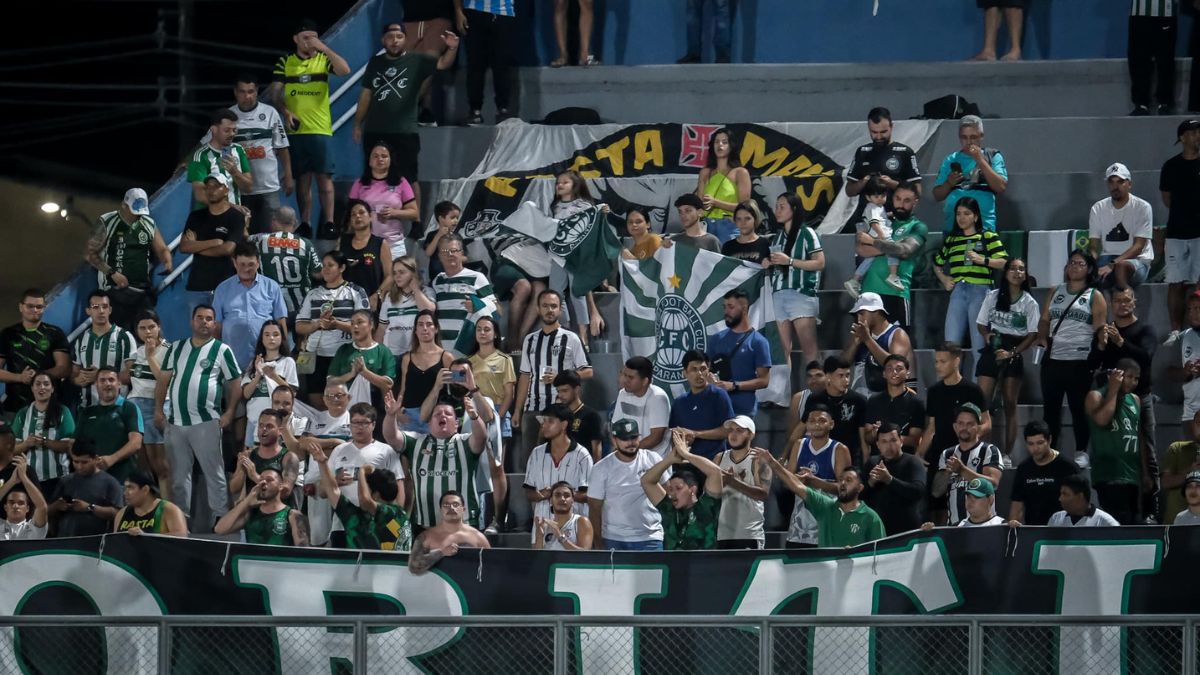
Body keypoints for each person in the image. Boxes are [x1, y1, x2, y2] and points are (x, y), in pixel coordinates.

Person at [353, 22, 458, 217]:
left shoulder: (417, 60)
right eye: (390, 37)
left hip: (405, 131)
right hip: (375, 130)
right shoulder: (375, 63)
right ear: (383, 40)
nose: (394, 41)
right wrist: (358, 124)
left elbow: (443, 64)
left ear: (405, 40)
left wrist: (452, 48)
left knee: (409, 177)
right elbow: (366, 95)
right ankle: (374, 219)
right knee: (373, 176)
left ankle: (415, 219)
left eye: (399, 37)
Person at [156, 305, 241, 529]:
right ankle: (179, 522)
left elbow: (234, 383)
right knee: (178, 477)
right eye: (200, 318)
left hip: (206, 420)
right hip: (175, 421)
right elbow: (163, 381)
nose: (205, 322)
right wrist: (158, 410)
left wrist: (230, 411)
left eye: (209, 319)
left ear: (215, 323)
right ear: (192, 321)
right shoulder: (176, 348)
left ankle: (220, 520)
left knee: (215, 473)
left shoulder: (222, 350)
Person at [269, 19, 351, 245]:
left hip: (320, 129)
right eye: (306, 38)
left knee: (324, 180)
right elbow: (275, 93)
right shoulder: (285, 62)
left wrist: (323, 47)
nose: (311, 42)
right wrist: (285, 112)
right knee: (303, 181)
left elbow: (345, 69)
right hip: (296, 131)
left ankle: (329, 222)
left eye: (314, 37)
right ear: (296, 39)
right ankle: (305, 223)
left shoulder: (323, 60)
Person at [384, 391, 491, 533]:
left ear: (457, 423)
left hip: (464, 526)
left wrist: (474, 417)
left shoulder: (465, 441)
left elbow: (481, 437)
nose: (442, 415)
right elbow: (391, 437)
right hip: (426, 525)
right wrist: (391, 416)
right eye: (437, 414)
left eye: (448, 414)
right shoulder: (416, 442)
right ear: (429, 423)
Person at [1096, 285, 1160, 519]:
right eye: (1117, 301)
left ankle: (1152, 507)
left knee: (1148, 452)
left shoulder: (1145, 330)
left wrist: (1122, 342)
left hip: (1140, 398)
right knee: (1114, 450)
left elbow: (1146, 357)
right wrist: (1102, 344)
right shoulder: (1107, 330)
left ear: (1134, 303)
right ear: (1111, 304)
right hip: (1112, 398)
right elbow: (1096, 361)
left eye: (1127, 300)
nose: (1122, 305)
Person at [1037, 250, 1107, 458]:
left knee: (1079, 409)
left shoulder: (1095, 295)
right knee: (1051, 410)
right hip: (1053, 359)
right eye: (1071, 263)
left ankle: (1081, 450)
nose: (1074, 266)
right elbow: (1044, 320)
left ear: (1089, 269)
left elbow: (1100, 328)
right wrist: (1041, 336)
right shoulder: (1054, 290)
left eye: (1080, 263)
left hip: (1079, 361)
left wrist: (1100, 351)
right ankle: (1050, 451)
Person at [204, 75, 293, 234]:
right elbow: (207, 143)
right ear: (235, 93)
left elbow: (283, 147)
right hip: (240, 190)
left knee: (273, 235)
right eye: (243, 92)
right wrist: (187, 160)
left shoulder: (270, 113)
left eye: (251, 91)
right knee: (242, 236)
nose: (248, 96)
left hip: (269, 187)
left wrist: (288, 175)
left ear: (257, 91)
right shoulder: (227, 117)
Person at [513, 290, 592, 462]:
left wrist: (561, 377)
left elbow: (588, 371)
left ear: (560, 310)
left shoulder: (571, 338)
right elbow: (525, 376)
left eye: (554, 306)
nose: (550, 310)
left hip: (561, 408)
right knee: (531, 462)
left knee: (562, 459)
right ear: (538, 309)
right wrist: (518, 410)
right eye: (545, 306)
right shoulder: (530, 340)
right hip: (533, 408)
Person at [933, 196, 1009, 369]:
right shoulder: (952, 240)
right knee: (950, 344)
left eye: (966, 213)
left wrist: (983, 260)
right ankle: (951, 389)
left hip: (980, 292)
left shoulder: (987, 236)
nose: (961, 218)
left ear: (975, 216)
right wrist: (944, 278)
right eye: (958, 213)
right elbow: (937, 263)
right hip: (958, 291)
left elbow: (1005, 262)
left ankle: (979, 392)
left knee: (979, 346)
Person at [315, 403, 406, 547]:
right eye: (355, 423)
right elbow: (321, 492)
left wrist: (395, 518)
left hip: (375, 524)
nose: (359, 427)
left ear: (374, 424)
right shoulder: (339, 451)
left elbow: (399, 487)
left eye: (364, 423)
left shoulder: (386, 450)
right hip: (342, 524)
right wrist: (335, 481)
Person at [976, 258, 1040, 456]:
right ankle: (983, 452)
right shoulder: (993, 296)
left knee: (1010, 404)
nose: (1017, 272)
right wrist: (987, 336)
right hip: (992, 349)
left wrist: (1012, 353)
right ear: (1005, 273)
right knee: (982, 403)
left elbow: (1033, 335)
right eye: (1012, 268)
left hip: (1014, 350)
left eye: (1021, 269)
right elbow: (981, 323)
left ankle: (1007, 454)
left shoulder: (1030, 302)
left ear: (1025, 275)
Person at [85, 188, 173, 330]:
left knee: (149, 331)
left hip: (141, 291)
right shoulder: (107, 222)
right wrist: (112, 273)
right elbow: (91, 254)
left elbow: (162, 248)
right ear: (124, 205)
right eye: (134, 211)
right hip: (113, 292)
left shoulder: (148, 223)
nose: (137, 216)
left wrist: (167, 261)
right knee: (118, 335)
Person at [760, 450, 885, 548]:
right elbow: (797, 486)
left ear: (860, 488)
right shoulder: (825, 506)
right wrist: (772, 462)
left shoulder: (870, 517)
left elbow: (881, 553)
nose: (842, 483)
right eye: (840, 479)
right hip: (825, 576)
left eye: (848, 480)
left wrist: (855, 553)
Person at [295, 251, 370, 407]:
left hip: (344, 354)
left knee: (341, 397)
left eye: (330, 265)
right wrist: (317, 324)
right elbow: (299, 326)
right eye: (323, 266)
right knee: (316, 396)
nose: (325, 269)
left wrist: (337, 325)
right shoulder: (313, 294)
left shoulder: (355, 292)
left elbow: (365, 327)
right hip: (316, 355)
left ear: (342, 268)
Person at [1085, 361, 1151, 525]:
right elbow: (1102, 419)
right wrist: (1113, 388)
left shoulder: (1135, 400)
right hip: (1109, 474)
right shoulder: (1096, 396)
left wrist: (1145, 472)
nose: (1133, 382)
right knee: (1115, 526)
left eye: (1136, 378)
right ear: (1116, 375)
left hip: (1132, 474)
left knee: (1134, 524)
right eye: (1129, 377)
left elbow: (1139, 436)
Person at [546, 171, 606, 349]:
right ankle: (563, 330)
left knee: (576, 293)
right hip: (558, 255)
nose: (560, 185)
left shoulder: (584, 205)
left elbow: (593, 224)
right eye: (558, 182)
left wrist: (603, 212)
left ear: (575, 185)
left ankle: (582, 335)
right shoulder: (555, 206)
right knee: (556, 293)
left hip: (576, 255)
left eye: (565, 182)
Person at [854, 183, 928, 327]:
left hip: (896, 294)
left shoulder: (918, 226)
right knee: (863, 345)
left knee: (898, 347)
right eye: (898, 199)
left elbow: (905, 250)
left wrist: (873, 242)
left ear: (915, 202)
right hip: (868, 292)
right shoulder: (880, 220)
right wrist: (893, 247)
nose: (901, 204)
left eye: (907, 200)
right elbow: (861, 249)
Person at [311, 445, 412, 551]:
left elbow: (365, 501)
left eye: (366, 487)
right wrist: (322, 463)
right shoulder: (356, 518)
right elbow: (332, 490)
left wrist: (362, 472)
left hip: (390, 566)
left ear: (376, 495)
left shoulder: (394, 515)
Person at [587, 419, 667, 550]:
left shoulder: (653, 459)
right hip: (613, 539)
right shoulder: (601, 468)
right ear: (614, 440)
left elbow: (667, 498)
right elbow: (594, 510)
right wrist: (598, 543)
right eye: (624, 439)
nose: (631, 443)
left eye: (634, 437)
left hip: (650, 537)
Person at [916, 343, 992, 475]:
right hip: (938, 454)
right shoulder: (934, 391)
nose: (937, 366)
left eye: (942, 362)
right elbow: (932, 427)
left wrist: (970, 438)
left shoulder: (972, 391)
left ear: (956, 361)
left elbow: (987, 423)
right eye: (936, 361)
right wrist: (919, 453)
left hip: (964, 456)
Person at [640, 430, 723, 550]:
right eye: (670, 489)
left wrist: (686, 454)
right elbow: (646, 481)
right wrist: (669, 460)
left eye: (678, 488)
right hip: (674, 567)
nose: (673, 493)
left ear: (692, 490)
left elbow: (715, 472)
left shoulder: (706, 508)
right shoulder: (669, 509)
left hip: (703, 566)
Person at [469, 316, 515, 530]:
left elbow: (508, 393)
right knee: (475, 468)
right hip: (473, 416)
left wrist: (499, 417)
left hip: (497, 412)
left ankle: (499, 518)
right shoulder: (469, 362)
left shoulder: (504, 359)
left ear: (495, 333)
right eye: (479, 329)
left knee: (497, 468)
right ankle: (476, 515)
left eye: (487, 329)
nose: (483, 333)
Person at [783, 404, 852, 548]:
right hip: (799, 527)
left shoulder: (839, 449)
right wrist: (796, 479)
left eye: (821, 421)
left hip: (827, 523)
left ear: (831, 424)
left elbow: (845, 490)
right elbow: (787, 482)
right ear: (806, 424)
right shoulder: (799, 444)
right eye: (812, 421)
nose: (816, 425)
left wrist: (814, 481)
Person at [768, 193, 824, 370]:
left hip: (801, 294)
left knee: (810, 351)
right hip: (778, 295)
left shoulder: (807, 232)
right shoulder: (776, 236)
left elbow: (820, 263)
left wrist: (790, 261)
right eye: (776, 206)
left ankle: (818, 394)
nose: (777, 210)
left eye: (782, 206)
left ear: (794, 209)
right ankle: (783, 396)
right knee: (782, 352)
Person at [213, 242, 289, 370]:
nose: (246, 269)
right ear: (234, 263)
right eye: (242, 264)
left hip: (267, 359)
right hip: (232, 358)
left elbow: (281, 323)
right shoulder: (222, 289)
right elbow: (217, 327)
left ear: (258, 263)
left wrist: (286, 355)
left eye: (251, 264)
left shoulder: (272, 287)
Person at [843, 107, 923, 226]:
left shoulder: (905, 152)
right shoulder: (862, 152)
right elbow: (849, 191)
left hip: (897, 220)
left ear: (891, 127)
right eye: (874, 132)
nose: (879, 137)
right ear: (869, 129)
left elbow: (918, 191)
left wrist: (892, 183)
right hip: (867, 220)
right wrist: (864, 181)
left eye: (883, 132)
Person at [180, 173, 249, 310]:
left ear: (226, 190)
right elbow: (184, 247)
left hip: (225, 285)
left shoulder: (236, 217)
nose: (211, 190)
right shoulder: (196, 216)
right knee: (199, 329)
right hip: (197, 285)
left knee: (225, 330)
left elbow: (227, 249)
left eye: (216, 186)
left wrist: (197, 247)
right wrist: (215, 242)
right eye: (208, 187)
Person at [1160, 119, 1200, 346]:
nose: (1197, 136)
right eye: (1193, 133)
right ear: (1182, 138)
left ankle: (1197, 326)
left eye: (1199, 132)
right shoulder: (1171, 166)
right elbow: (1167, 199)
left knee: (1198, 283)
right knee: (1175, 282)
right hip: (1177, 232)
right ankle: (1175, 329)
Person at [0, 289, 71, 416]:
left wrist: (39, 376)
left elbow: (64, 368)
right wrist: (20, 377)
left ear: (44, 308)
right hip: (15, 408)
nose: (35, 310)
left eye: (39, 306)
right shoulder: (8, 334)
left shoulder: (54, 333)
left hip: (49, 408)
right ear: (21, 307)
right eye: (30, 306)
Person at [932, 116, 1008, 233]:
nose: (968, 142)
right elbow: (937, 195)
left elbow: (1001, 186)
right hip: (953, 229)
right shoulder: (950, 159)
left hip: (984, 229)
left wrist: (980, 160)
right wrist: (948, 183)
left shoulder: (993, 156)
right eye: (964, 137)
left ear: (981, 136)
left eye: (973, 137)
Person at [123, 311, 170, 496]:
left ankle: (168, 514)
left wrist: (151, 357)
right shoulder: (136, 353)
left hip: (156, 406)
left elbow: (164, 381)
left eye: (151, 327)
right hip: (135, 408)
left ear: (159, 327)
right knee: (141, 469)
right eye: (142, 328)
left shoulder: (170, 350)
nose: (147, 332)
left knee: (162, 467)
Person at [933, 403, 1003, 526]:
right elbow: (936, 492)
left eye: (970, 424)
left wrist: (962, 470)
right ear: (955, 426)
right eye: (960, 423)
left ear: (979, 427)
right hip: (954, 526)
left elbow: (993, 484)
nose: (964, 428)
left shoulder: (989, 450)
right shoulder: (947, 454)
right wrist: (947, 473)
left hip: (985, 526)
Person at [1088, 163, 1154, 290]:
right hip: (1107, 257)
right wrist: (1089, 263)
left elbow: (1138, 247)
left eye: (1120, 182)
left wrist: (1113, 264)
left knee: (1121, 268)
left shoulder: (1142, 207)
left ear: (1129, 184)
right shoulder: (1098, 208)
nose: (1115, 186)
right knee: (1085, 272)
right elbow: (1093, 246)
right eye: (1111, 182)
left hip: (1137, 260)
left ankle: (1127, 303)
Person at [524, 404, 593, 526]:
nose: (544, 425)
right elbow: (529, 492)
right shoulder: (536, 453)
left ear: (564, 424)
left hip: (574, 526)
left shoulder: (582, 455)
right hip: (543, 524)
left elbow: (589, 494)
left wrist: (559, 494)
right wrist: (540, 495)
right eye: (543, 421)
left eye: (550, 421)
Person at [349, 143, 419, 262]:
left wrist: (394, 213)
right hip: (365, 242)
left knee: (397, 277)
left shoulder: (401, 182)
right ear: (369, 161)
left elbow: (414, 213)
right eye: (375, 156)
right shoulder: (359, 183)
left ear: (390, 160)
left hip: (394, 243)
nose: (380, 159)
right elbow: (349, 213)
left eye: (384, 156)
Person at [430, 233, 499, 354]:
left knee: (463, 374)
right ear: (439, 256)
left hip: (466, 348)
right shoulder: (436, 281)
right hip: (441, 350)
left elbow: (497, 310)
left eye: (454, 250)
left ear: (462, 253)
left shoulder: (477, 277)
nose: (450, 254)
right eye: (445, 251)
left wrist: (477, 304)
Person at [250, 207, 321, 321]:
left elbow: (243, 239)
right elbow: (318, 273)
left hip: (271, 306)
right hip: (301, 305)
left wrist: (246, 222)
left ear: (274, 221)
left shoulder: (260, 240)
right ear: (295, 223)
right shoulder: (306, 244)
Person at [707, 289, 771, 417]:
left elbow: (764, 380)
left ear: (744, 308)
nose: (726, 312)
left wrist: (734, 386)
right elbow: (707, 369)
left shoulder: (758, 342)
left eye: (731, 307)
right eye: (724, 307)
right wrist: (710, 379)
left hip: (743, 410)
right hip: (716, 406)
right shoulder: (716, 339)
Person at [74, 367, 143, 484]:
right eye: (102, 380)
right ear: (96, 385)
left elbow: (136, 443)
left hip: (123, 480)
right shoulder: (87, 412)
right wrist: (88, 464)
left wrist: (112, 458)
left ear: (119, 384)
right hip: (92, 480)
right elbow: (74, 444)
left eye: (111, 380)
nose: (107, 384)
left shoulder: (129, 408)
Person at [70, 289, 138, 409]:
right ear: (88, 311)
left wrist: (99, 376)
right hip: (87, 409)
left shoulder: (124, 337)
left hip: (117, 408)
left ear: (110, 310)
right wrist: (77, 380)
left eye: (104, 306)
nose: (101, 311)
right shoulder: (81, 339)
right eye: (96, 307)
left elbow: (132, 374)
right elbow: (74, 373)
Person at [790, 356, 867, 458]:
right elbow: (800, 430)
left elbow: (863, 439)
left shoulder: (859, 400)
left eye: (848, 375)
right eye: (841, 376)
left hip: (851, 457)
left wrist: (865, 463)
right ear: (828, 377)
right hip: (822, 456)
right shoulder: (815, 399)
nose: (846, 380)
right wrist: (785, 455)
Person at [455, 0, 516, 125]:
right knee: (475, 65)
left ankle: (503, 110)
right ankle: (475, 111)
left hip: (503, 13)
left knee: (502, 64)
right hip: (473, 12)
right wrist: (458, 12)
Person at [239, 322, 299, 450]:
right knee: (251, 457)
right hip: (254, 420)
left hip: (277, 422)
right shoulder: (254, 362)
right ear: (262, 338)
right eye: (267, 335)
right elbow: (246, 394)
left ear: (282, 338)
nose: (271, 338)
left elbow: (292, 393)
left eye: (275, 334)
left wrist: (273, 376)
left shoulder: (288, 362)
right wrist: (258, 375)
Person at [12, 372, 74, 497]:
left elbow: (69, 445)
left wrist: (45, 442)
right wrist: (27, 444)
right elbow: (12, 449)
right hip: (28, 478)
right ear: (32, 388)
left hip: (57, 477)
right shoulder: (23, 414)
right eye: (38, 384)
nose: (42, 387)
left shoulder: (62, 411)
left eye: (46, 384)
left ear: (52, 389)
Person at [842, 292, 912, 398]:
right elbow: (842, 364)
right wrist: (855, 343)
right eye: (856, 314)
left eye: (862, 313)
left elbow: (895, 366)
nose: (858, 317)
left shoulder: (897, 334)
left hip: (886, 399)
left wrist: (868, 340)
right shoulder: (860, 333)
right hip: (859, 399)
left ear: (876, 312)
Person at [714, 416, 770, 549]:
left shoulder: (758, 459)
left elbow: (763, 494)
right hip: (723, 533)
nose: (733, 434)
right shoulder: (719, 458)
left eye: (739, 430)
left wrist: (733, 482)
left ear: (751, 434)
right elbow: (710, 492)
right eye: (731, 430)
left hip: (749, 534)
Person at [1008, 420, 1079, 526]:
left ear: (1049, 440)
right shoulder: (1023, 469)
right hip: (1034, 531)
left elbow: (1078, 503)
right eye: (1031, 444)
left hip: (1062, 531)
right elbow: (1017, 505)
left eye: (1040, 443)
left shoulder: (1067, 467)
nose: (1035, 448)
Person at [215, 468, 310, 545]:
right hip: (253, 566)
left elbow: (303, 551)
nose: (263, 483)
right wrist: (247, 500)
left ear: (281, 486)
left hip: (280, 566)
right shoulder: (251, 513)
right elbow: (219, 529)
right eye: (260, 480)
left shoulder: (292, 515)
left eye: (269, 480)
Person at [328, 309, 395, 417]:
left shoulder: (383, 351)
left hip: (374, 409)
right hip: (344, 410)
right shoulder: (344, 350)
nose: (355, 326)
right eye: (352, 323)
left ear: (371, 325)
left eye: (359, 322)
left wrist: (364, 372)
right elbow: (331, 382)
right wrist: (350, 375)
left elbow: (388, 384)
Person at [48, 441, 124, 537]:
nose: (79, 466)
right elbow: (46, 511)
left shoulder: (110, 483)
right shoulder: (65, 481)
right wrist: (56, 506)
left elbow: (118, 514)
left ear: (96, 459)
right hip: (64, 540)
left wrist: (90, 507)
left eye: (84, 462)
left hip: (94, 541)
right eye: (76, 461)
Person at [669, 350, 734, 460]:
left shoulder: (719, 395)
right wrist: (683, 437)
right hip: (686, 464)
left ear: (708, 370)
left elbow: (728, 430)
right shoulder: (679, 402)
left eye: (703, 369)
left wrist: (696, 434)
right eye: (694, 369)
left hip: (714, 463)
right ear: (684, 373)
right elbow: (673, 433)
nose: (699, 374)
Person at [863, 423, 926, 535]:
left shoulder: (912, 462)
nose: (889, 446)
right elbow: (859, 496)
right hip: (877, 531)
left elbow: (918, 491)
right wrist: (870, 483)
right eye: (884, 441)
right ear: (877, 444)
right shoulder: (872, 463)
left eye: (893, 440)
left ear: (901, 441)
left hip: (907, 531)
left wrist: (889, 480)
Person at [395, 310, 453, 434]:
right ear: (415, 330)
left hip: (435, 416)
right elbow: (403, 389)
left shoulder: (446, 357)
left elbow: (457, 388)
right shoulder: (407, 358)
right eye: (420, 325)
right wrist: (397, 411)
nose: (424, 328)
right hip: (408, 416)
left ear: (436, 329)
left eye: (429, 324)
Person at [407, 491, 490, 574]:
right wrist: (441, 553)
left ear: (463, 509)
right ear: (440, 510)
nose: (451, 508)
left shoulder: (478, 537)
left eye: (456, 504)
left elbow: (492, 565)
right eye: (446, 505)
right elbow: (413, 566)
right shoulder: (426, 536)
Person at [844, 178, 901, 297]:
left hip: (877, 236)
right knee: (893, 250)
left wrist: (891, 214)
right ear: (868, 197)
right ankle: (893, 275)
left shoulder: (878, 207)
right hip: (880, 236)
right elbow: (874, 223)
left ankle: (855, 279)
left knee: (870, 259)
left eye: (883, 195)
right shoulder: (872, 207)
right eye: (876, 196)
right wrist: (881, 236)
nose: (880, 198)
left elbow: (881, 218)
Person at [186, 109, 253, 209]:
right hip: (209, 217)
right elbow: (200, 195)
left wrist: (235, 172)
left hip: (234, 217)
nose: (232, 134)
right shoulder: (201, 156)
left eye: (234, 130)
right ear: (214, 130)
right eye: (227, 130)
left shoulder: (238, 150)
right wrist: (231, 208)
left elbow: (248, 188)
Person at [862, 355, 925, 461]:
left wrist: (889, 438)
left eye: (899, 369)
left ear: (907, 373)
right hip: (878, 460)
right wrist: (874, 432)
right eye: (889, 368)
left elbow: (915, 440)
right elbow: (867, 438)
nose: (894, 372)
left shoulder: (916, 403)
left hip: (904, 459)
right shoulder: (874, 400)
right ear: (884, 374)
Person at [230, 409, 301, 503]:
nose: (264, 429)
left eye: (269, 426)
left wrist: (257, 477)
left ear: (279, 431)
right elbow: (233, 489)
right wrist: (241, 468)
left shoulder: (289, 457)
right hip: (254, 512)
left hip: (278, 515)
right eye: (261, 425)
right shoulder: (249, 455)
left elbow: (285, 492)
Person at [610, 356, 671, 458]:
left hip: (654, 460)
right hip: (630, 456)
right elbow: (615, 427)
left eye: (631, 377)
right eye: (625, 375)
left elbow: (656, 437)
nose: (625, 380)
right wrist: (620, 449)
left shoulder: (657, 398)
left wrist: (629, 450)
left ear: (645, 381)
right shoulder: (623, 394)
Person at [695, 129, 749, 244]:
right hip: (707, 225)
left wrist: (716, 202)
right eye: (716, 142)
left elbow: (745, 207)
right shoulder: (705, 172)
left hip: (729, 225)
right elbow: (699, 204)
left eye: (724, 142)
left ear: (731, 146)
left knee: (728, 260)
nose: (720, 145)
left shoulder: (740, 172)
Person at [377, 257, 436, 361]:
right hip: (391, 354)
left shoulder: (426, 292)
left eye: (402, 272)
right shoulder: (389, 296)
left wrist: (415, 289)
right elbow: (381, 329)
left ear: (413, 273)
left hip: (416, 354)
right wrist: (378, 354)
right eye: (395, 273)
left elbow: (428, 311)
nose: (397, 276)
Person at [1127, 0, 1178, 116]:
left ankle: (1164, 103)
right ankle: (1141, 104)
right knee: (1138, 59)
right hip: (1139, 14)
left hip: (1166, 13)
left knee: (1166, 60)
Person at [338, 200, 393, 304]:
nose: (357, 216)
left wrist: (377, 296)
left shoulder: (380, 243)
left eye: (361, 212)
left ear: (371, 216)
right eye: (353, 214)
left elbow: (390, 276)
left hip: (371, 302)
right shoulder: (342, 241)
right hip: (345, 301)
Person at [113, 471, 187, 536]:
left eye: (130, 487)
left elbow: (181, 539)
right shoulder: (121, 513)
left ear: (145, 489)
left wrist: (146, 537)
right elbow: (115, 542)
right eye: (125, 488)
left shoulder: (169, 510)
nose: (125, 493)